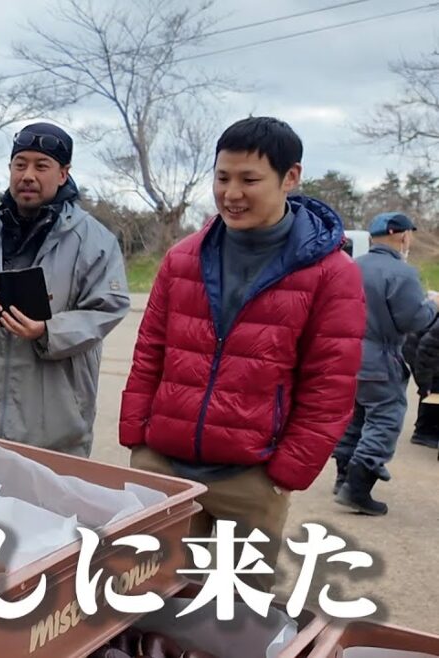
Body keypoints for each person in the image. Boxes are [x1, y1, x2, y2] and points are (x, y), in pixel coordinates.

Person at [119, 116, 366, 593]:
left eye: (249, 180)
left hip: (252, 476)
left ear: (290, 177)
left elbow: (330, 386)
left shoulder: (332, 274)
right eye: (223, 177)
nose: (232, 193)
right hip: (164, 468)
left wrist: (286, 471)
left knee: (238, 612)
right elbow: (151, 351)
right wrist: (139, 440)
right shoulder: (183, 258)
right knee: (147, 600)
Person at [0, 122, 130, 456]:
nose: (28, 175)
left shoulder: (93, 240)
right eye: (20, 164)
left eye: (41, 165)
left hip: (56, 421)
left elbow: (108, 308)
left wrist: (48, 330)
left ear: (63, 174)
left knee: (51, 505)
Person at [333, 212, 439, 515]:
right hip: (381, 357)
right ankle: (357, 486)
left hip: (347, 355)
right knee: (385, 418)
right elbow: (412, 319)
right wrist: (432, 305)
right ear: (403, 236)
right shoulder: (402, 273)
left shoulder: (353, 267)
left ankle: (342, 478)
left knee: (354, 417)